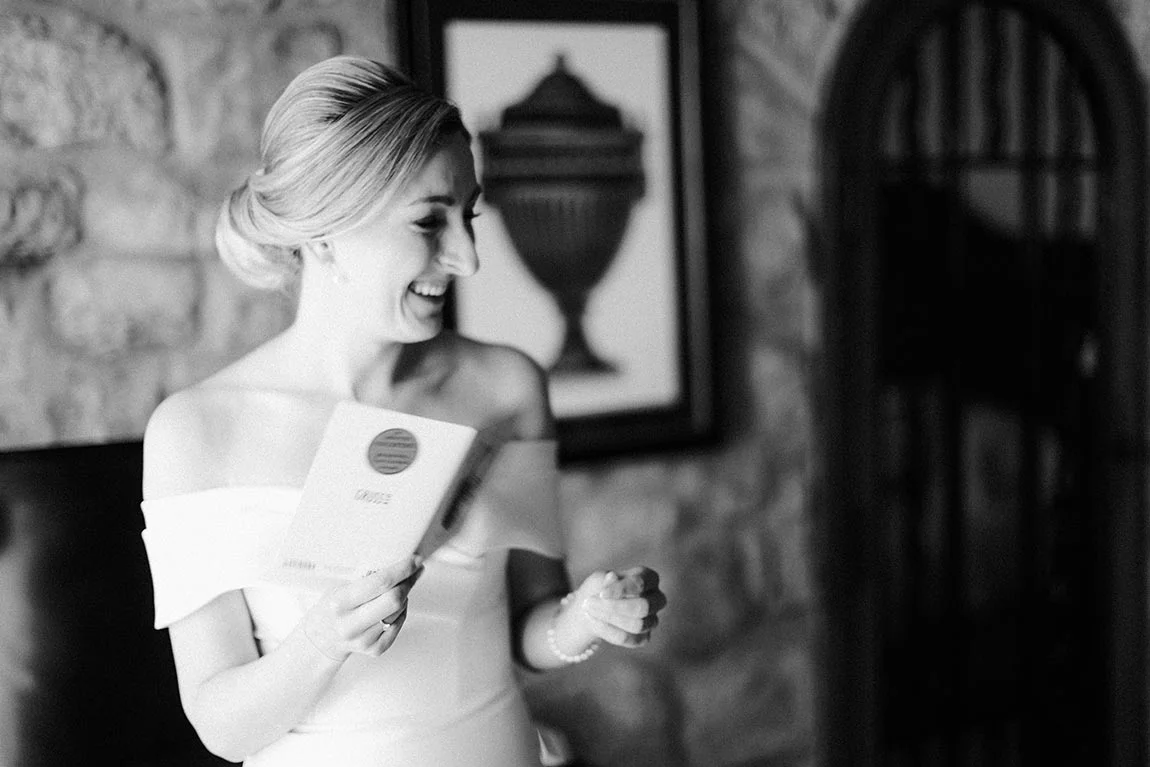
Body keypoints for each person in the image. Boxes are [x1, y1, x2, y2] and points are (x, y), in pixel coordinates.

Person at [138, 55, 668, 766]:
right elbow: (221, 726)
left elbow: (527, 630)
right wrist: (323, 641)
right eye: (429, 221)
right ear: (324, 232)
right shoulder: (195, 432)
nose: (467, 259)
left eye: (468, 217)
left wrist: (586, 617)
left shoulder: (506, 388)